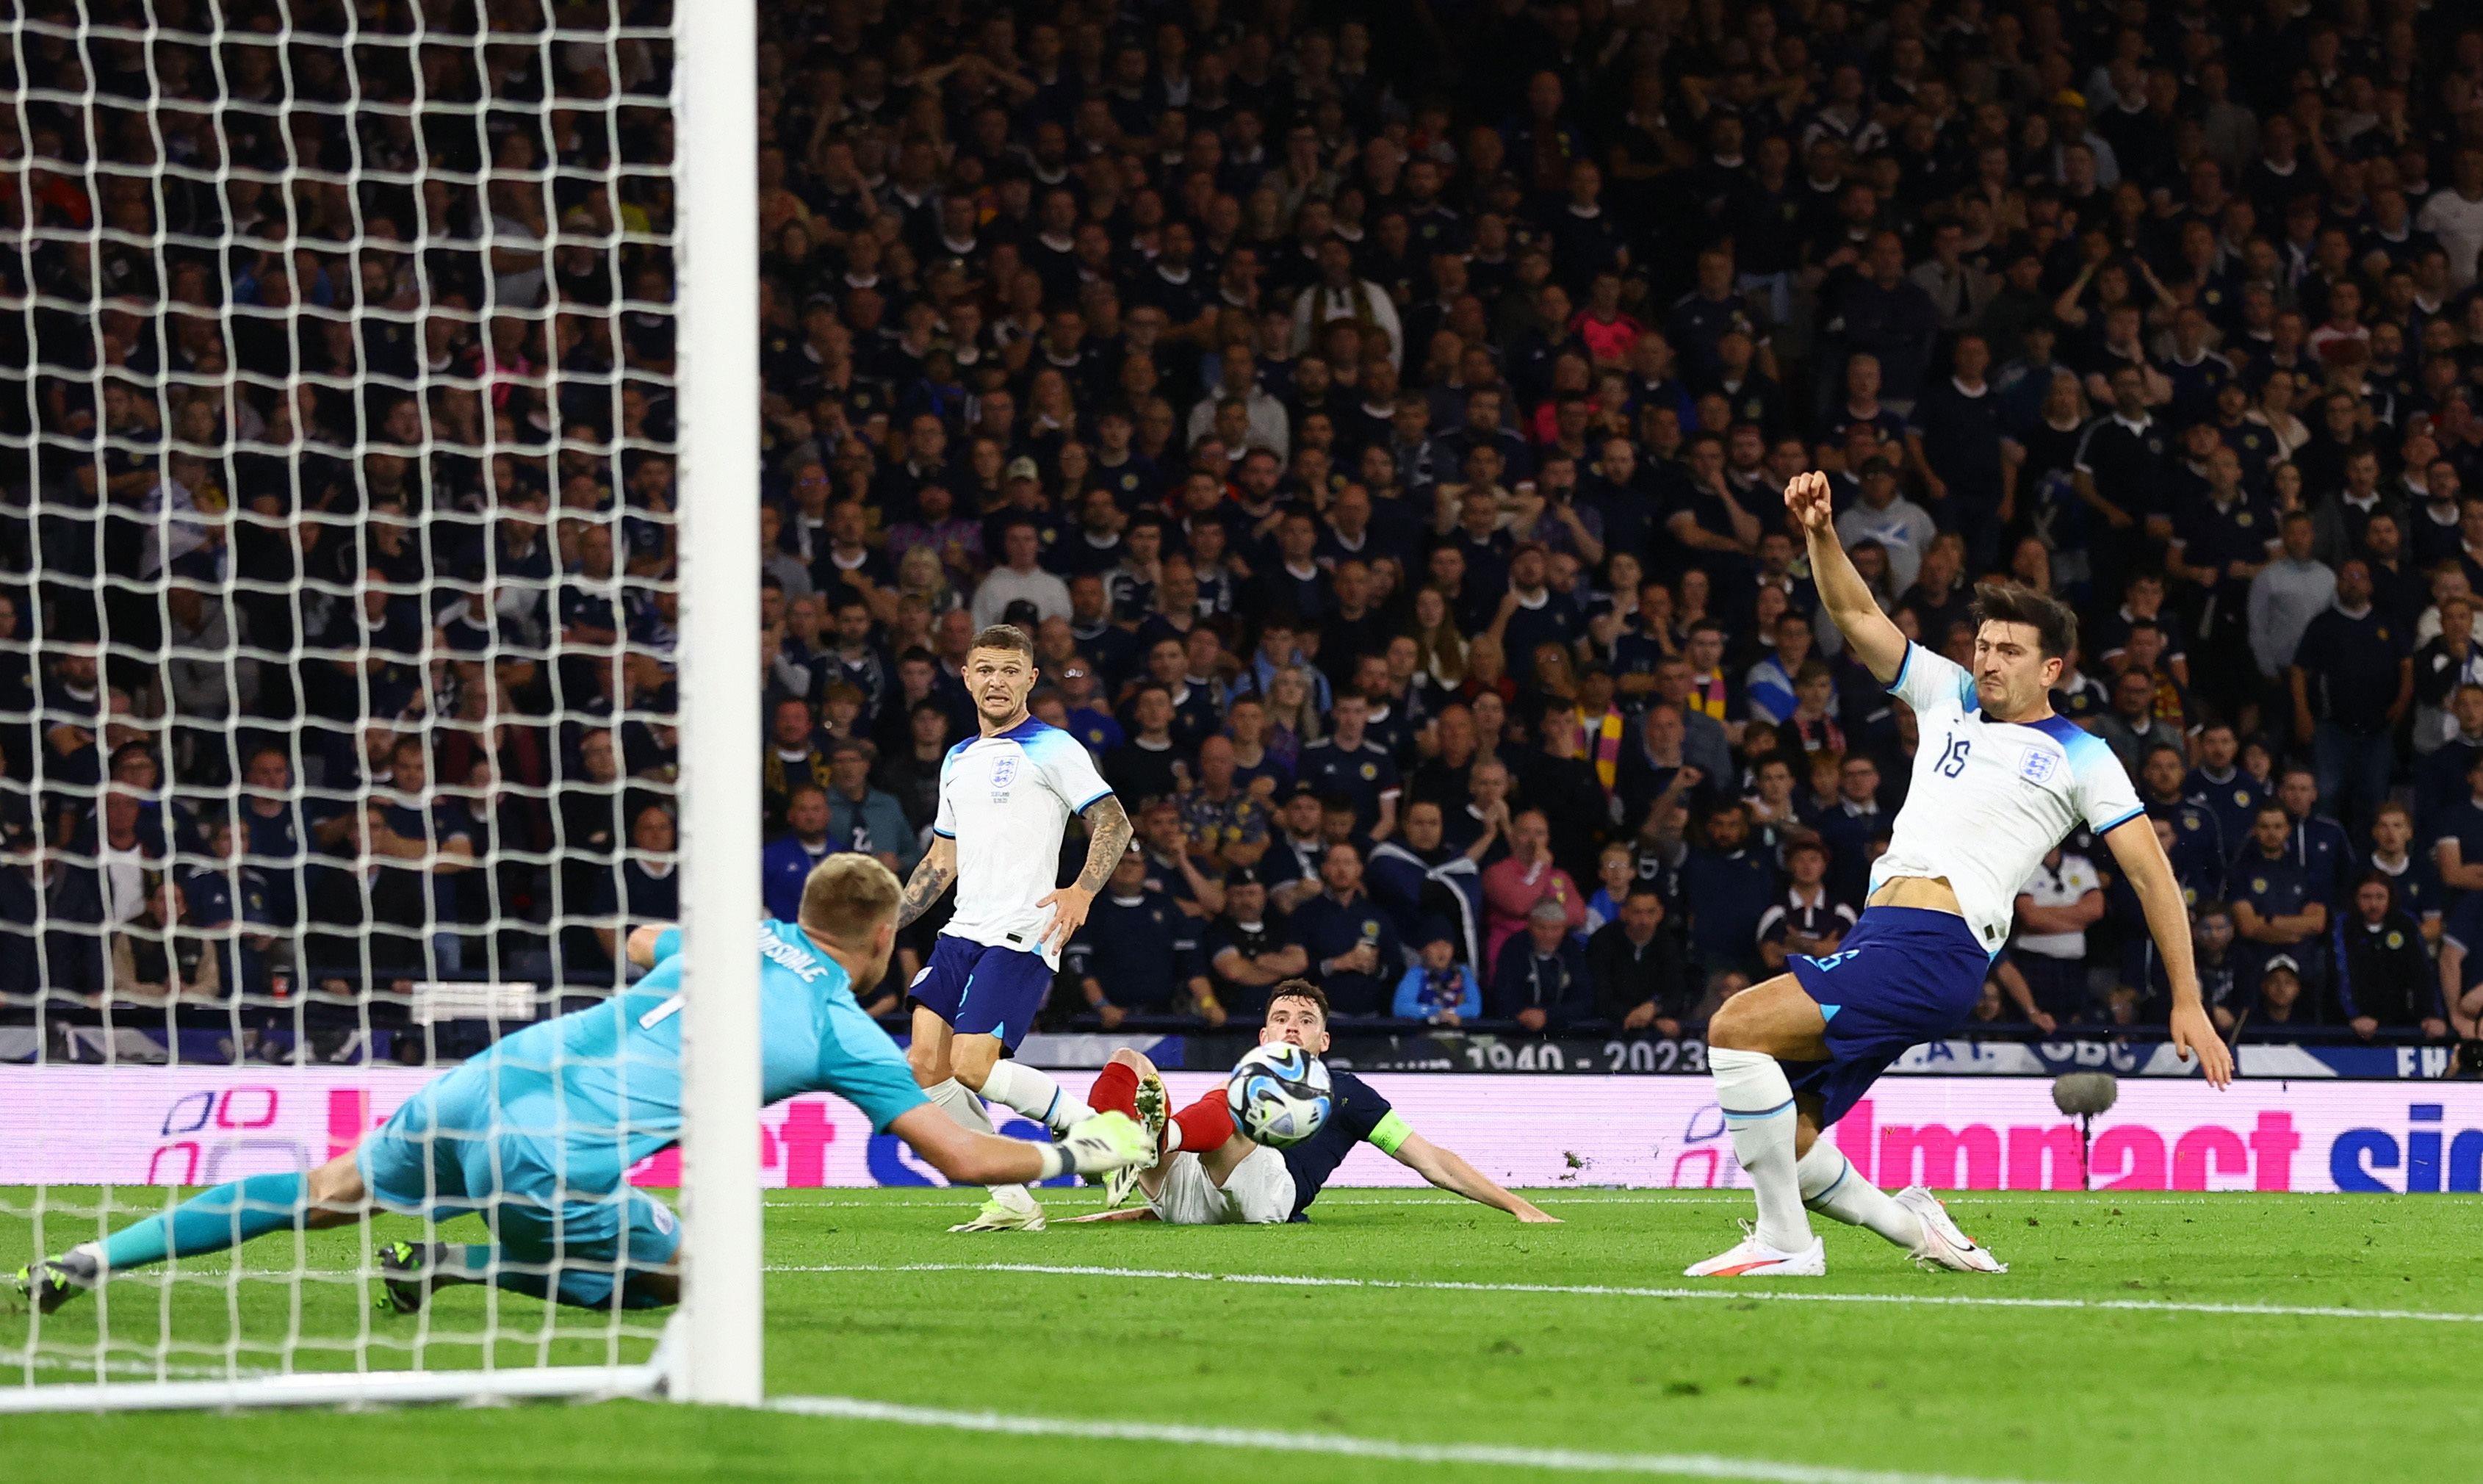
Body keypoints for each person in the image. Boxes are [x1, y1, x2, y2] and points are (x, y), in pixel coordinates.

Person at [15, 856, 1153, 1314]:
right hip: (554, 1153)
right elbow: (957, 1153)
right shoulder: (835, 1020)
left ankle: (93, 1258)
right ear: (874, 950)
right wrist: (1078, 1150)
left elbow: (635, 943)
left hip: (485, 1083)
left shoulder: (729, 937)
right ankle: (472, 1262)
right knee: (692, 1284)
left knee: (324, 1190)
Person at [1687, 469, 2229, 1281]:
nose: (1987, 660)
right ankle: (1916, 1227)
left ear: (2051, 670)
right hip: (1883, 935)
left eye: (2008, 651)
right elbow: (1853, 612)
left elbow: (2151, 876)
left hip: (1935, 945)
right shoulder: (1945, 693)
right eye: (1982, 644)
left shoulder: (2082, 757)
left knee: (1734, 1026)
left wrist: (2185, 996)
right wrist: (1819, 533)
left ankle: (1786, 1244)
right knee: (1788, 1127)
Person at [891, 623, 1136, 1233]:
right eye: (985, 669)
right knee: (925, 1064)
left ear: (1029, 679)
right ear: (967, 677)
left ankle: (1103, 1138)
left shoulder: (1055, 747)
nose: (996, 681)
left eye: (1009, 670)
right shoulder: (958, 759)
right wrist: (880, 929)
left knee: (973, 1065)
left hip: (1023, 928)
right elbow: (939, 863)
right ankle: (1012, 1200)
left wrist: (1081, 889)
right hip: (962, 930)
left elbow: (1115, 823)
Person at [1071, 981, 1555, 1225]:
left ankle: (1143, 1143)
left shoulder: (1346, 1092)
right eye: (1281, 1019)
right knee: (1129, 1059)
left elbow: (1431, 1160)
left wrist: (1517, 1208)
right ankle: (1120, 1151)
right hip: (1188, 1185)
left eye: (1305, 1020)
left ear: (1323, 1040)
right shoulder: (1245, 1076)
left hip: (1268, 1197)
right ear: (1264, 1035)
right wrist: (1131, 1214)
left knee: (1235, 1100)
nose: (1291, 1027)